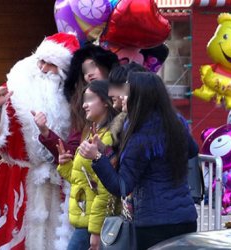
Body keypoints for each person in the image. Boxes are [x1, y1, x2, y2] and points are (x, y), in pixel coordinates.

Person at [0, 33, 79, 250]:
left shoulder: (75, 98)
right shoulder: (16, 85)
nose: (42, 68)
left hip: (58, 181)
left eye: (51, 65)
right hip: (17, 179)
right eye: (41, 61)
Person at [79, 72, 198, 250]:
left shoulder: (140, 136)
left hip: (154, 224)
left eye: (126, 92)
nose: (122, 97)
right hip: (186, 218)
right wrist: (106, 151)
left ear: (139, 97)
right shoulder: (176, 122)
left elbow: (121, 186)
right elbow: (192, 150)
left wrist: (96, 157)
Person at [56, 81, 118, 250]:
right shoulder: (93, 134)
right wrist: (65, 165)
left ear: (105, 101)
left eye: (90, 99)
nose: (84, 105)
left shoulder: (107, 138)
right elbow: (82, 179)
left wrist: (96, 232)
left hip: (93, 223)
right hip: (85, 220)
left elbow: (106, 188)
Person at [36, 44, 118, 162]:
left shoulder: (125, 93)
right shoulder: (81, 106)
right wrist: (46, 132)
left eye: (93, 66)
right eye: (84, 71)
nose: (89, 74)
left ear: (105, 65)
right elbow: (73, 152)